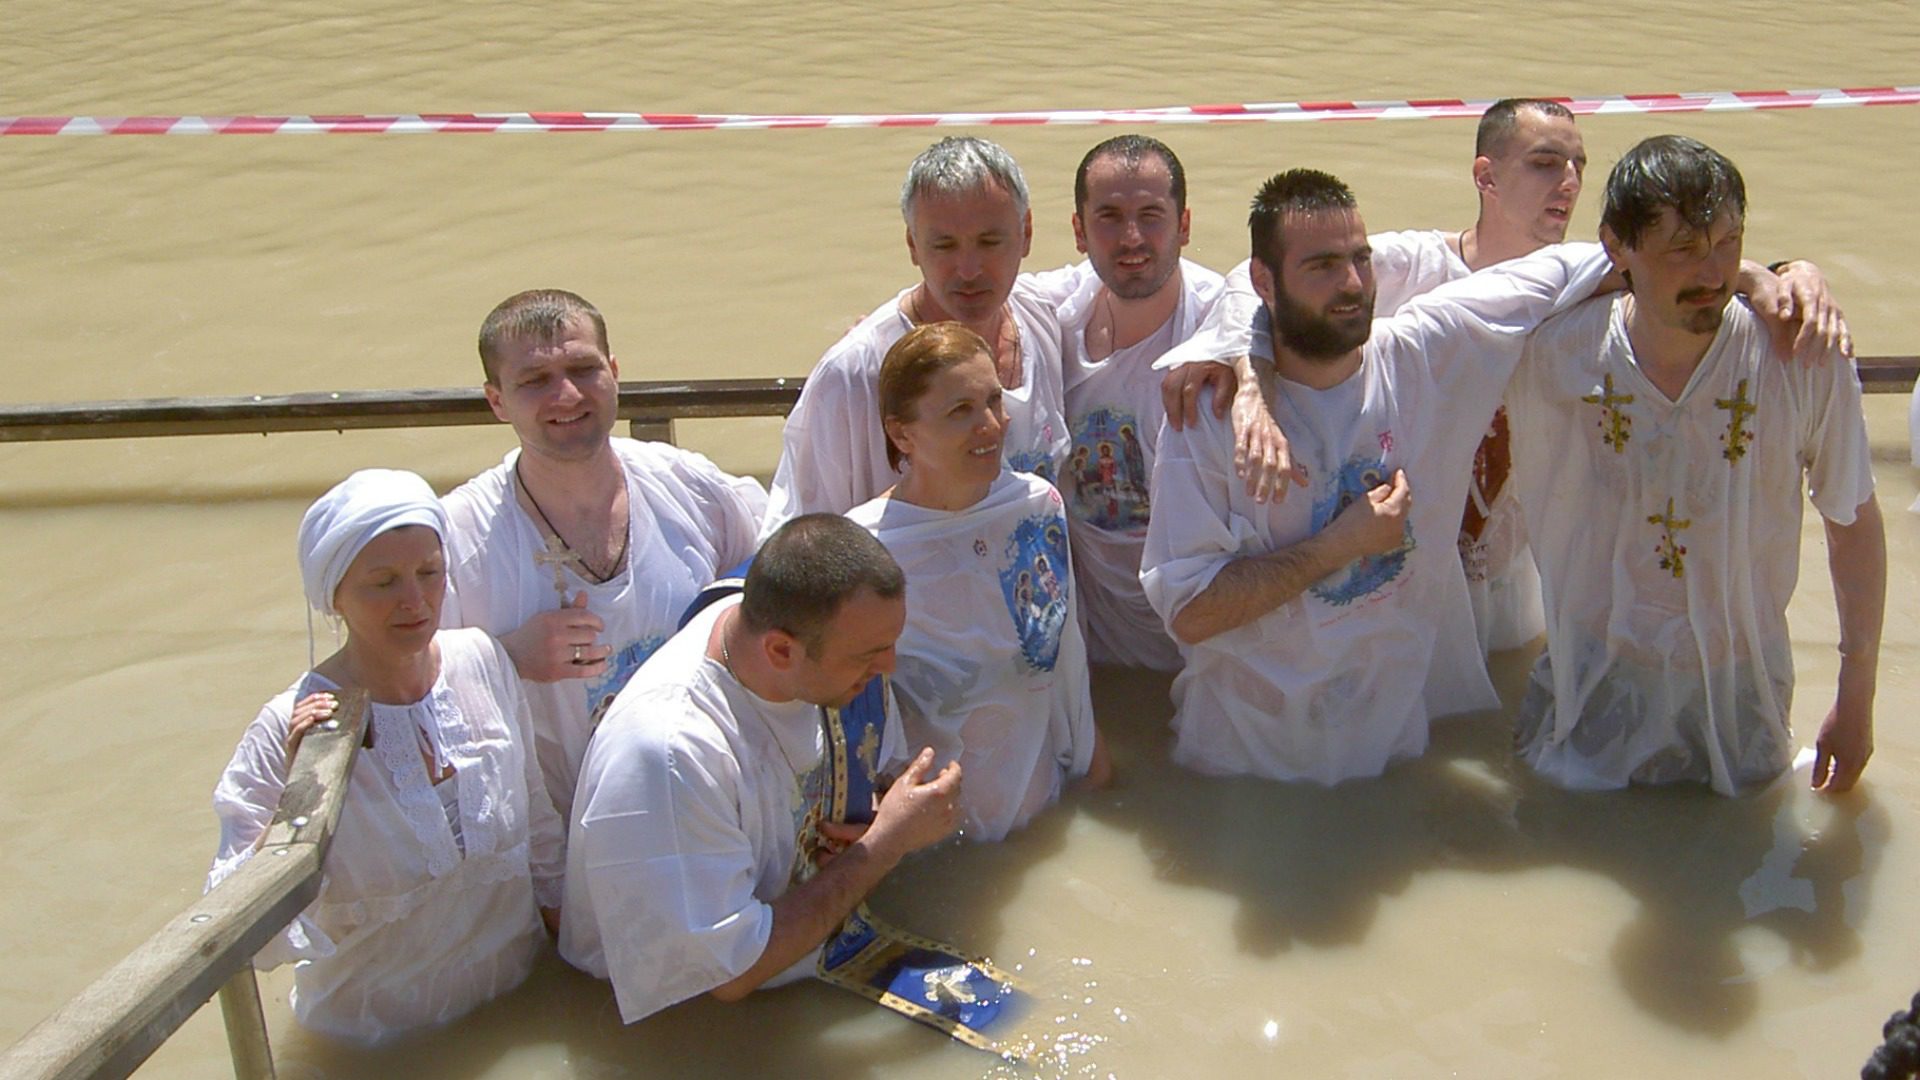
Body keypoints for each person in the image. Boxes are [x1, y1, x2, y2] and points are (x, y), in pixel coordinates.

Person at [1141, 168, 1619, 784]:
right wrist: (1341, 545)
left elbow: (1584, 266)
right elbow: (1191, 612)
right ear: (1264, 281)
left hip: (1392, 749)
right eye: (1321, 266)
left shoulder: (1424, 355)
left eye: (1360, 259)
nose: (1351, 284)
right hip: (1247, 762)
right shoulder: (1208, 415)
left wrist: (1756, 275)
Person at [1507, 135, 1884, 795]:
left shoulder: (1800, 357)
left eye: (1728, 244)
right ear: (1617, 247)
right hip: (1593, 678)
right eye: (1683, 250)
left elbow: (1850, 519)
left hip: (1742, 687)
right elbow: (1431, 328)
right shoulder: (1553, 352)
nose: (1712, 274)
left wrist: (1857, 700)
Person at [559, 514, 962, 1024]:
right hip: (683, 1025)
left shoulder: (809, 633)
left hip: (804, 958)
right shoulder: (671, 751)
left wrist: (889, 807)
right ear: (779, 649)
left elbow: (866, 771)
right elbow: (730, 974)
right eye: (872, 654)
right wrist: (884, 845)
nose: (889, 668)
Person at [208, 469, 565, 1044]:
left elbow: (541, 829)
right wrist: (298, 800)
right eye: (383, 582)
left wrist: (579, 968)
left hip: (516, 1008)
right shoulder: (289, 727)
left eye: (430, 572)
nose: (416, 601)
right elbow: (230, 926)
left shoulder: (480, 661)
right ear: (334, 596)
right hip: (372, 1041)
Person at [441, 290, 765, 824]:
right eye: (534, 380)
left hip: (710, 813)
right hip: (555, 845)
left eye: (583, 368)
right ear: (496, 400)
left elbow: (784, 599)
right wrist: (505, 657)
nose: (566, 395)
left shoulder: (696, 489)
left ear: (614, 371)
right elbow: (402, 686)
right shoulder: (458, 540)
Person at [847, 323, 1109, 841]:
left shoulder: (1037, 508)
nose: (990, 425)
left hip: (1046, 817)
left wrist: (1097, 777)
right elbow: (852, 726)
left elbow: (1067, 664)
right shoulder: (866, 553)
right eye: (959, 411)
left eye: (994, 400)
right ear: (902, 435)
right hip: (936, 844)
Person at [764, 136, 1070, 527]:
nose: (969, 270)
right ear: (912, 244)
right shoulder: (854, 376)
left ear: (1026, 232)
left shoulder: (1046, 314)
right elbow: (803, 540)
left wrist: (1178, 359)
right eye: (944, 245)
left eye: (989, 242)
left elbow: (1141, 274)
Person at [1035, 135, 1229, 670]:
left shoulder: (1224, 320)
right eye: (1109, 217)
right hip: (1097, 647)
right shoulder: (1053, 315)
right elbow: (969, 290)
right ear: (1078, 230)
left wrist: (1247, 368)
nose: (1133, 238)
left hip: (1211, 650)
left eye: (1151, 215)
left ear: (1185, 225)